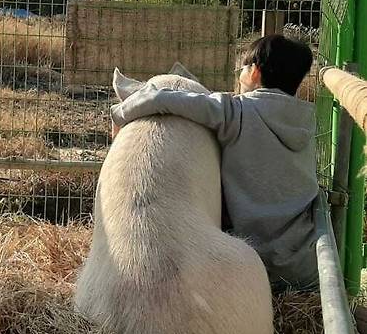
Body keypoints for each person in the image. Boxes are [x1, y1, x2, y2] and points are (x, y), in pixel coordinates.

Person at [110, 34, 318, 293]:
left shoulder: (235, 111)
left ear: (254, 73)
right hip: (308, 267)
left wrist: (118, 114)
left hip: (255, 267)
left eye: (243, 67)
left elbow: (160, 99)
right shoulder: (308, 122)